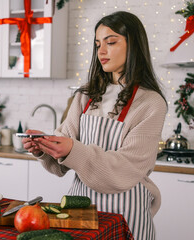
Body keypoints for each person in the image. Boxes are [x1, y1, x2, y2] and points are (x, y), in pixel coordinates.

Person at [22, 11, 167, 240]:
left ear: (135, 46)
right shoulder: (86, 95)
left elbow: (125, 169)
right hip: (81, 209)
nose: (101, 51)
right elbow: (63, 155)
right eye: (97, 44)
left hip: (126, 213)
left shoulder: (150, 103)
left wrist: (72, 149)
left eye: (111, 42)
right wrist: (44, 147)